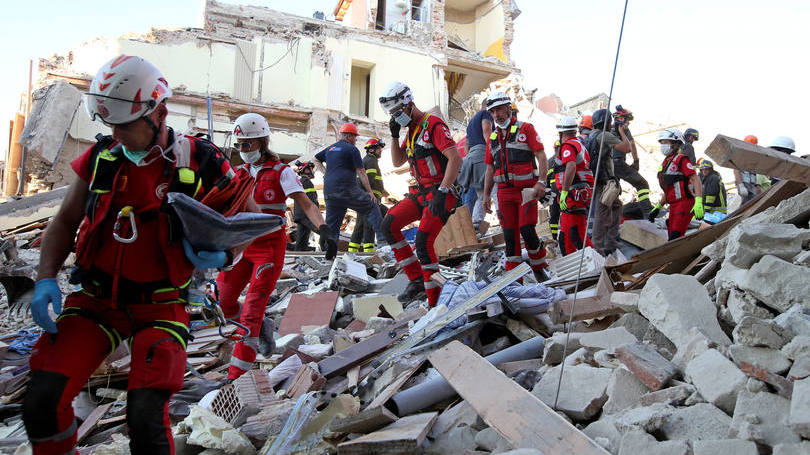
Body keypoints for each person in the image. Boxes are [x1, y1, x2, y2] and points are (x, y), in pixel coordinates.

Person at [23, 55, 242, 455]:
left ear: (158, 113)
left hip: (162, 305)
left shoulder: (202, 161)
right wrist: (44, 280)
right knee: (42, 402)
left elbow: (246, 220)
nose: (117, 134)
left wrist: (226, 256)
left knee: (145, 417)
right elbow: (65, 221)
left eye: (125, 125)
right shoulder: (101, 159)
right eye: (111, 125)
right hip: (95, 300)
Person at [217, 114, 335, 380]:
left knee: (251, 311)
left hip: (268, 248)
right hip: (241, 246)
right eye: (239, 145)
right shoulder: (239, 173)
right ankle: (262, 327)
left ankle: (236, 378)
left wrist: (324, 229)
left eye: (247, 144)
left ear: (261, 142)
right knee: (223, 303)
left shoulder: (282, 173)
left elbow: (306, 204)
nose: (242, 149)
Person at [378, 81, 462, 306]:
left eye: (397, 112)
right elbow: (397, 161)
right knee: (389, 225)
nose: (396, 117)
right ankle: (416, 280)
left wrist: (443, 190)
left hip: (441, 193)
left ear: (409, 104)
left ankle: (435, 301)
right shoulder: (412, 131)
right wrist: (394, 136)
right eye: (392, 114)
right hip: (421, 192)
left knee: (423, 243)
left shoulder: (432, 125)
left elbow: (455, 158)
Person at [481, 91, 550, 281]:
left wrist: (542, 181)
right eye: (492, 112)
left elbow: (541, 156)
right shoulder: (492, 139)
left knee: (527, 229)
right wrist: (486, 196)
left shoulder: (526, 129)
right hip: (504, 193)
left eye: (499, 110)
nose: (496, 115)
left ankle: (539, 268)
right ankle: (515, 279)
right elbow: (490, 168)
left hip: (526, 191)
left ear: (508, 108)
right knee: (510, 236)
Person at [315, 123, 385, 248]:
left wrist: (326, 173)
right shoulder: (352, 149)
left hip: (329, 191)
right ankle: (383, 242)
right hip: (346, 189)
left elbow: (315, 159)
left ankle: (327, 252)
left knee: (332, 226)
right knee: (372, 206)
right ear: (349, 137)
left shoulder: (330, 148)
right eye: (355, 137)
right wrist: (370, 192)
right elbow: (362, 172)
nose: (356, 140)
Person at [587, 108, 630, 256]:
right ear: (606, 122)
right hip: (604, 182)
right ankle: (598, 248)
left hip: (595, 179)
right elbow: (626, 148)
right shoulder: (605, 135)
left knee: (617, 206)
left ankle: (610, 241)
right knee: (601, 213)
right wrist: (622, 132)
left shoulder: (592, 135)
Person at [648, 128, 704, 240]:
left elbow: (695, 179)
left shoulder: (681, 159)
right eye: (661, 142)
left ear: (675, 143)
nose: (662, 145)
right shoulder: (666, 162)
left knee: (675, 237)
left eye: (665, 142)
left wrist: (698, 201)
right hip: (673, 205)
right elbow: (669, 189)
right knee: (672, 237)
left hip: (684, 203)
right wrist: (658, 207)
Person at [553, 116, 595, 255]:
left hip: (573, 195)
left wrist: (564, 192)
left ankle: (595, 263)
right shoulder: (579, 144)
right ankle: (570, 262)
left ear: (561, 133)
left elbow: (571, 167)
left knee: (577, 235)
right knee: (565, 238)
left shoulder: (568, 146)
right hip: (575, 195)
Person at [611, 106, 653, 217]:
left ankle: (612, 216)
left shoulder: (608, 129)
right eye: (627, 121)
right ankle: (648, 212)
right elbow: (632, 145)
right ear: (621, 119)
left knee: (613, 191)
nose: (628, 123)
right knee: (642, 184)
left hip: (609, 165)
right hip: (618, 163)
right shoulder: (623, 130)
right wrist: (636, 161)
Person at [349, 138, 389, 253]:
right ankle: (369, 252)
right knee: (370, 223)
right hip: (371, 197)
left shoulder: (365, 160)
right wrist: (371, 195)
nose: (380, 150)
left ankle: (352, 251)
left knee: (360, 224)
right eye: (378, 148)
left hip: (364, 196)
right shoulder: (371, 160)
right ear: (371, 150)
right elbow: (369, 179)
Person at [459, 99, 493, 230]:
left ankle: (475, 225)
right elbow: (487, 133)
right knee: (495, 189)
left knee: (481, 195)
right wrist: (493, 152)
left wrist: (471, 159)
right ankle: (506, 222)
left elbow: (466, 146)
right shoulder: (486, 114)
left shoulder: (471, 122)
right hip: (483, 154)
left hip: (471, 159)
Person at [291, 160, 319, 251]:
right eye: (311, 169)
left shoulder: (301, 181)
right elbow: (311, 200)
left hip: (301, 214)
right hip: (306, 214)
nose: (313, 171)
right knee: (322, 230)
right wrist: (316, 213)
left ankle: (298, 254)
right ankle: (327, 249)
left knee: (301, 240)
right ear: (306, 170)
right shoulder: (306, 182)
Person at [733, 135, 762, 203]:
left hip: (752, 184)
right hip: (744, 183)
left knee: (754, 202)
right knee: (746, 203)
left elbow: (755, 172)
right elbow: (736, 171)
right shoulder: (739, 155)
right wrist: (741, 185)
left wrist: (757, 185)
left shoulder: (753, 156)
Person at [546, 141, 561, 241]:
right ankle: (555, 238)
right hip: (559, 190)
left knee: (554, 215)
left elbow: (546, 180)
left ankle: (555, 238)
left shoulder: (550, 161)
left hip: (554, 190)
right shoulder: (564, 158)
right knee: (555, 215)